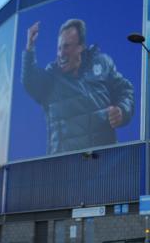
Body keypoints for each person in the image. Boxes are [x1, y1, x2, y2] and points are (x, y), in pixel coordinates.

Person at [22, 19, 135, 154]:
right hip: (65, 167)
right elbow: (30, 81)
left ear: (81, 46)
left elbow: (126, 91)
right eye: (59, 48)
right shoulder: (51, 77)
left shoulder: (102, 63)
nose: (61, 53)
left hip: (105, 162)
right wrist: (30, 48)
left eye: (67, 46)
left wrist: (122, 110)